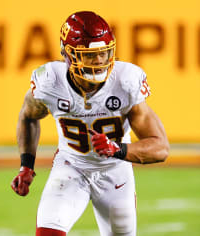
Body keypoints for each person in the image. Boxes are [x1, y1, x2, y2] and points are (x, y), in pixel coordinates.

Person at [10, 11, 169, 236]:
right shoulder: (49, 82)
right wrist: (26, 165)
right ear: (68, 55)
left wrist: (118, 149)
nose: (100, 61)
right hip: (71, 166)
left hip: (115, 172)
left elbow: (160, 148)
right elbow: (28, 117)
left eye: (104, 53)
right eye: (90, 55)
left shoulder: (125, 82)